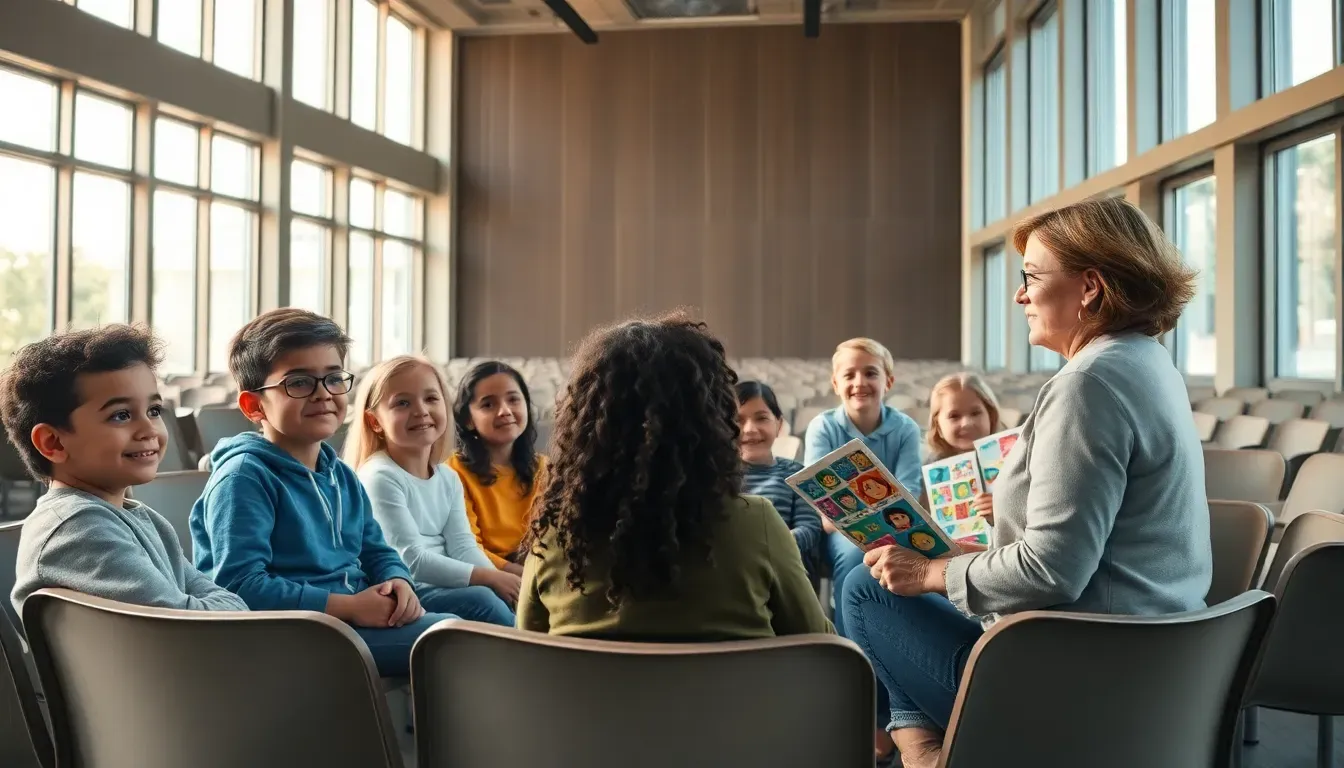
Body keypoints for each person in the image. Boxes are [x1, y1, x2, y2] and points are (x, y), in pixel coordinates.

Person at [843, 197, 1213, 768]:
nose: (1019, 295)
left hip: (1079, 676)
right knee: (887, 582)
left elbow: (1051, 572)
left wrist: (936, 571)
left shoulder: (1088, 384)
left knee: (865, 590)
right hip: (1152, 662)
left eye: (1031, 277)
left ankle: (924, 754)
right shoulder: (1147, 361)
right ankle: (929, 751)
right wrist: (963, 557)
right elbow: (1093, 548)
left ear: (1089, 287)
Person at [517, 312, 832, 640]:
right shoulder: (758, 525)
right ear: (713, 420)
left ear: (588, 425)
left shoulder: (556, 536)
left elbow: (527, 652)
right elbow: (822, 648)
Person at [190, 309, 452, 677]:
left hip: (348, 620)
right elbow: (240, 586)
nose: (323, 394)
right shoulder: (244, 477)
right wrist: (348, 606)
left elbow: (376, 549)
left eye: (332, 379)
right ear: (253, 405)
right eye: (299, 383)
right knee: (451, 641)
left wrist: (398, 579)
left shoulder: (340, 474)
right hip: (293, 637)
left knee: (467, 619)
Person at [1, 326, 246, 615]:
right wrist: (229, 607)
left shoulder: (139, 517)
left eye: (154, 411)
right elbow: (201, 625)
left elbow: (214, 605)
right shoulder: (79, 531)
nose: (149, 429)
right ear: (53, 442)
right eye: (121, 415)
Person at [346, 355, 516, 627]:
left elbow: (463, 547)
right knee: (483, 600)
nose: (421, 410)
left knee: (505, 596)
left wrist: (502, 583)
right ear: (374, 421)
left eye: (431, 399)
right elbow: (412, 560)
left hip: (449, 584)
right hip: (404, 589)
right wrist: (490, 578)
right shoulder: (379, 475)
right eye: (403, 403)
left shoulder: (447, 477)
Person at [803, 337, 922, 637]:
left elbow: (908, 490)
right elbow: (820, 500)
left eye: (871, 373)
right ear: (835, 383)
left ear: (889, 381)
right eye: (849, 375)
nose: (860, 382)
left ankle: (898, 640)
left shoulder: (905, 428)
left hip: (895, 529)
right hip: (842, 532)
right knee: (855, 554)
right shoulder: (823, 426)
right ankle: (852, 645)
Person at [448, 361, 546, 575]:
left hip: (540, 571)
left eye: (513, 400)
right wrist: (520, 574)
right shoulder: (453, 473)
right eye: (488, 405)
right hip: (487, 576)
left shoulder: (546, 469)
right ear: (468, 420)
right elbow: (466, 547)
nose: (505, 411)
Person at [736, 380, 823, 579]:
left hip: (782, 567)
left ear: (779, 425)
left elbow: (810, 528)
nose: (749, 429)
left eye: (761, 418)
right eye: (738, 420)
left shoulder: (796, 473)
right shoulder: (716, 474)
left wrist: (772, 545)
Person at [922, 372, 1003, 524]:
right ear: (937, 425)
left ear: (991, 416)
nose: (966, 423)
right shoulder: (928, 472)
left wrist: (1005, 511)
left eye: (975, 413)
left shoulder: (1013, 460)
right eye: (954, 416)